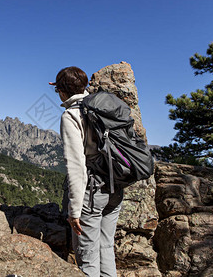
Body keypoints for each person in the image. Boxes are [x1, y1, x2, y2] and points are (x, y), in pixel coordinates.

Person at [50, 66, 123, 277]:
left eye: (57, 91)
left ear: (62, 91)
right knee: (106, 249)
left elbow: (76, 165)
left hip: (93, 193)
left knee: (88, 259)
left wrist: (74, 211)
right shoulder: (103, 107)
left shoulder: (71, 115)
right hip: (116, 186)